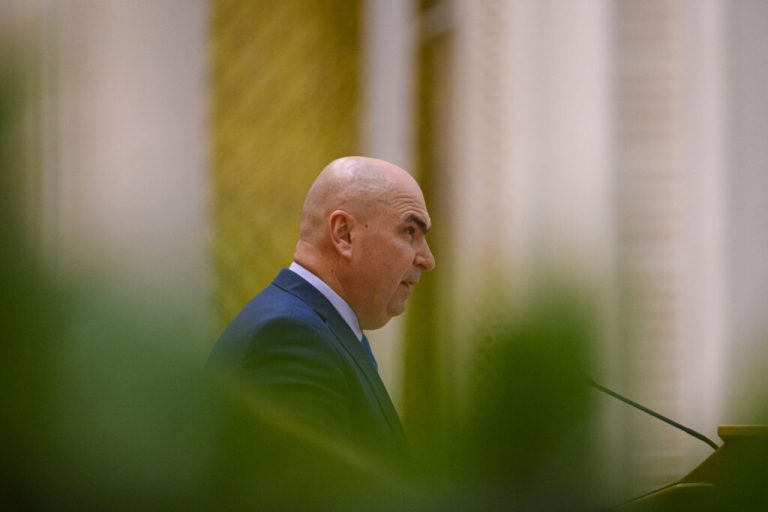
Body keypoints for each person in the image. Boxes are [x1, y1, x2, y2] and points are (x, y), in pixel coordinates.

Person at [208, 156, 436, 469]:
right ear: (344, 234)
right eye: (409, 231)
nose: (427, 260)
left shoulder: (314, 328)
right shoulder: (289, 340)